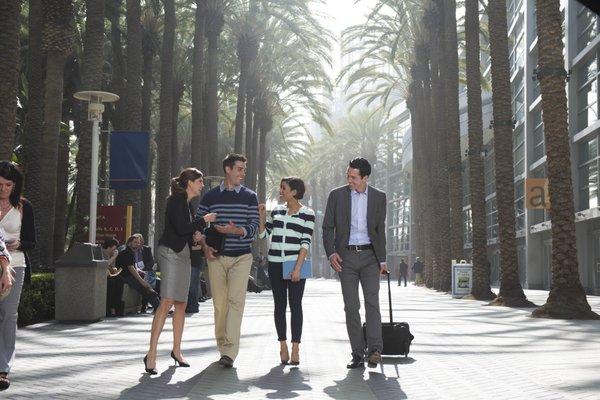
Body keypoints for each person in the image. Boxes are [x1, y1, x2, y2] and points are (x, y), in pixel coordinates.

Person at [144, 168, 216, 375]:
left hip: (183, 254)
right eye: (200, 181)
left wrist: (195, 236)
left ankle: (176, 350)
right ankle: (151, 354)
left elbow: (184, 230)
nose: (202, 185)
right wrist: (204, 220)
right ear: (190, 183)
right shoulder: (176, 200)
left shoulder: (187, 204)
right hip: (169, 253)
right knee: (166, 302)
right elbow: (181, 227)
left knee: (182, 304)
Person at [322, 157, 387, 369]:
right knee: (351, 306)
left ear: (365, 177)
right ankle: (358, 353)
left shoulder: (379, 197)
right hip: (346, 258)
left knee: (372, 303)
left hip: (370, 258)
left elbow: (379, 230)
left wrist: (382, 260)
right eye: (347, 175)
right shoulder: (336, 195)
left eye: (354, 177)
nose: (349, 179)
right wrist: (331, 253)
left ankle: (375, 350)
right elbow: (327, 227)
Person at [196, 154, 259, 368]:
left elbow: (253, 227)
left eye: (243, 169)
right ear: (228, 169)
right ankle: (223, 347)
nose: (242, 173)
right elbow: (199, 226)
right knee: (220, 305)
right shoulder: (210, 197)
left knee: (235, 302)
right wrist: (205, 248)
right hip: (216, 258)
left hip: (242, 257)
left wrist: (236, 230)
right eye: (239, 169)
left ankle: (230, 352)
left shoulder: (250, 196)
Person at [259, 177, 315, 366]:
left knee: (296, 305)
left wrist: (297, 268)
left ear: (294, 192)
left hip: (295, 263)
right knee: (279, 306)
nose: (280, 190)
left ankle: (296, 348)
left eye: (283, 188)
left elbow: (305, 242)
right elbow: (263, 234)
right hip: (275, 264)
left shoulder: (308, 214)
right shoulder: (277, 211)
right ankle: (282, 345)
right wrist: (261, 217)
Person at [0, 161, 36, 391]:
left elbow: (32, 241)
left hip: (16, 265)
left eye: (8, 185)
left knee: (8, 315)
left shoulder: (24, 207)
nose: (3, 189)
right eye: (0, 184)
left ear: (15, 185)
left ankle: (3, 368)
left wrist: (18, 244)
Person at [115, 234, 160, 313]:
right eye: (135, 242)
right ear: (129, 243)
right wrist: (142, 282)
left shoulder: (130, 252)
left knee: (151, 285)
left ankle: (159, 306)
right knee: (146, 288)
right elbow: (130, 268)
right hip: (125, 277)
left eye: (139, 243)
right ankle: (159, 307)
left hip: (129, 276)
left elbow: (133, 268)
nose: (138, 244)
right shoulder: (126, 252)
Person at [101, 238, 124, 317]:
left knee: (120, 280)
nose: (115, 250)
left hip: (109, 274)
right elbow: (104, 265)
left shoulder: (111, 254)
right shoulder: (101, 252)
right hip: (101, 276)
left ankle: (115, 307)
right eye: (114, 248)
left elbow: (111, 266)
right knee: (111, 283)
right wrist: (114, 257)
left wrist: (114, 270)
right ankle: (108, 308)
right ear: (109, 247)